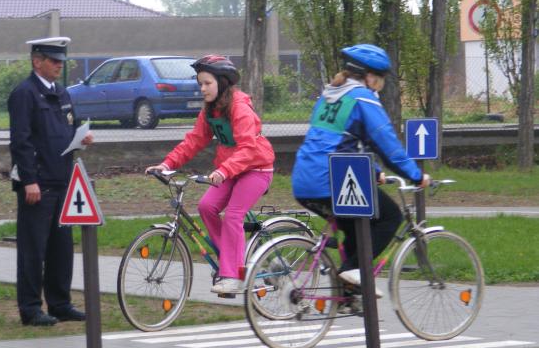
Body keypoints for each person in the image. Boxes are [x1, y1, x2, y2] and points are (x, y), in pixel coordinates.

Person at [291, 43, 430, 297]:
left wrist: (374, 170)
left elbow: (344, 140)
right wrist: (416, 175)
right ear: (370, 77)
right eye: (381, 79)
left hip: (303, 180)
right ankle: (355, 270)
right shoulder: (362, 97)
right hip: (332, 180)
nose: (381, 85)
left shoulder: (328, 96)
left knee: (357, 227)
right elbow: (386, 143)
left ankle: (347, 293)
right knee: (390, 217)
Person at [146, 55, 275, 294]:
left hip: (256, 169)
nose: (202, 88)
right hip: (231, 171)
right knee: (206, 207)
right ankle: (230, 257)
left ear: (222, 83)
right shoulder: (210, 111)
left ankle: (233, 274)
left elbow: (247, 148)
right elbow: (194, 141)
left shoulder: (240, 108)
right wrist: (166, 164)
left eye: (207, 83)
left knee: (234, 215)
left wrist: (223, 170)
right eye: (200, 84)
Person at [8, 36, 95, 326]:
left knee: (61, 248)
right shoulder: (25, 93)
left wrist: (82, 138)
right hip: (38, 184)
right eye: (54, 61)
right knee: (34, 250)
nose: (59, 66)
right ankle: (31, 309)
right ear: (37, 61)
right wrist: (29, 180)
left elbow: (68, 127)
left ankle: (60, 303)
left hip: (63, 179)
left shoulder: (62, 93)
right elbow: (21, 142)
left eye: (61, 61)